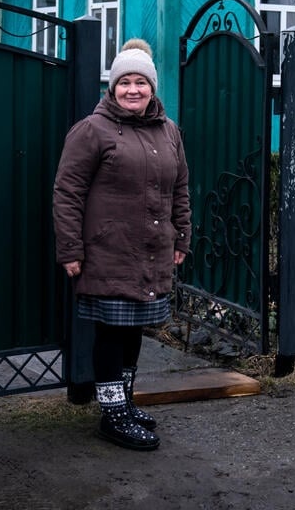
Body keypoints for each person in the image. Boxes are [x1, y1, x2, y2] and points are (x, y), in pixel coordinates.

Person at [52, 38, 191, 451]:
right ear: (112, 88)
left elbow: (180, 188)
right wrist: (70, 249)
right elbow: (67, 191)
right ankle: (112, 416)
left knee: (134, 331)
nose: (133, 90)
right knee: (111, 333)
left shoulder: (169, 131)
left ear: (153, 87)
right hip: (107, 251)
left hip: (152, 250)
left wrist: (182, 236)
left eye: (141, 83)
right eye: (124, 83)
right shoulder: (91, 130)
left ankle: (124, 404)